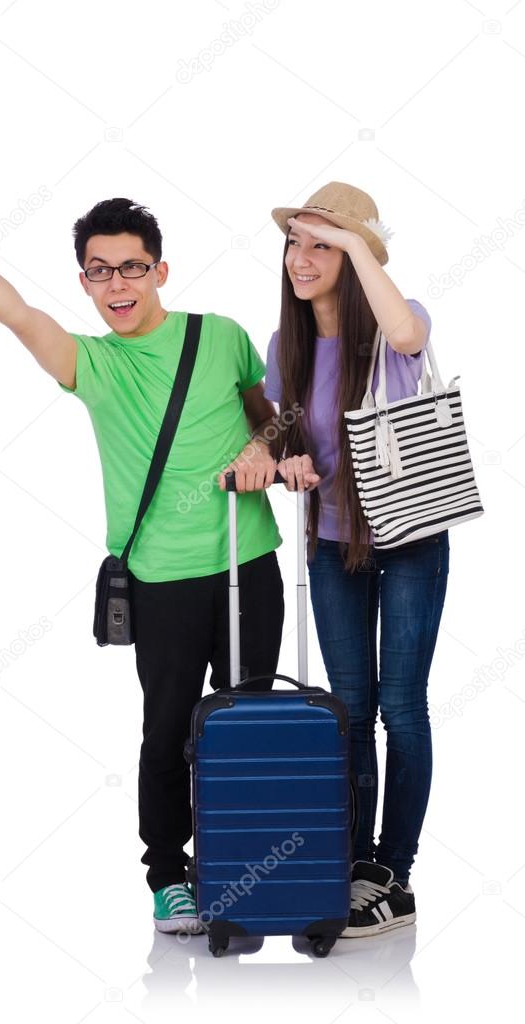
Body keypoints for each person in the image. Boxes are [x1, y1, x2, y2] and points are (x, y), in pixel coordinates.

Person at [0, 196, 287, 935]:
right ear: (84, 280)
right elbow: (19, 315)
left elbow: (269, 417)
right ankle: (169, 874)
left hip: (251, 563)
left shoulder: (221, 336)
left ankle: (244, 862)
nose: (118, 284)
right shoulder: (92, 362)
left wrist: (264, 450)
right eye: (100, 271)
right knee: (169, 727)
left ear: (160, 270)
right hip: (161, 578)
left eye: (132, 268)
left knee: (248, 720)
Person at [224, 181, 450, 937]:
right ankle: (352, 863)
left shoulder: (396, 322)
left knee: (401, 707)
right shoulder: (286, 345)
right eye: (296, 242)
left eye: (322, 244)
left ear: (356, 256)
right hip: (332, 544)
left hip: (413, 538)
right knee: (348, 713)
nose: (303, 257)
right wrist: (278, 458)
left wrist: (356, 240)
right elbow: (285, 433)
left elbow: (411, 340)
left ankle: (396, 872)